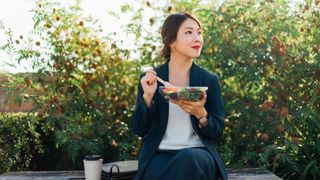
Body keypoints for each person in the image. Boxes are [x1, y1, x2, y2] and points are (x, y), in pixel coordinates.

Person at [131, 12, 227, 180]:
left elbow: (217, 132)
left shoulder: (209, 80)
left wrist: (201, 114)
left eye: (199, 32)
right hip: (160, 156)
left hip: (199, 155)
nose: (197, 38)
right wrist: (148, 97)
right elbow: (139, 129)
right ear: (171, 42)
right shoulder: (152, 78)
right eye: (189, 32)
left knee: (189, 159)